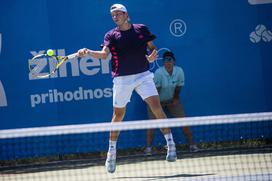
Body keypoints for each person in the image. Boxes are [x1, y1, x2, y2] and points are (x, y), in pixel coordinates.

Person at [77, 4, 177, 173]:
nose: (115, 17)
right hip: (122, 79)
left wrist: (152, 56)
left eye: (118, 14)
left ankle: (171, 144)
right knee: (118, 115)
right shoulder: (111, 35)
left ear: (126, 14)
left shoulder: (141, 29)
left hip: (143, 75)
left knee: (156, 107)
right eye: (112, 15)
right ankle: (112, 152)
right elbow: (103, 55)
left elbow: (153, 48)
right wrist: (88, 53)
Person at [145, 51, 199, 155]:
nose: (168, 62)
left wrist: (175, 98)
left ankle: (192, 145)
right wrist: (157, 105)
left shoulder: (179, 71)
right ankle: (148, 148)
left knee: (183, 121)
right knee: (152, 124)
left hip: (171, 100)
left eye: (170, 60)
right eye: (166, 60)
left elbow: (179, 86)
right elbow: (156, 90)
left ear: (174, 62)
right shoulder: (159, 73)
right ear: (163, 62)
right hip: (156, 101)